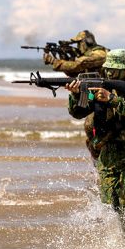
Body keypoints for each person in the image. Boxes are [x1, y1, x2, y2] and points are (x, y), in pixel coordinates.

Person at [65, 49, 125, 221]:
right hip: (108, 148)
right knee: (112, 202)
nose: (110, 72)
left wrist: (111, 99)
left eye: (115, 68)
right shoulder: (98, 87)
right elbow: (78, 113)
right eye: (108, 68)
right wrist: (76, 95)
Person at [45, 30, 108, 159]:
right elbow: (76, 74)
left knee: (92, 126)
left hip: (107, 97)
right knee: (90, 132)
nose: (78, 47)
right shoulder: (88, 55)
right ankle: (99, 163)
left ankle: (104, 163)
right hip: (95, 97)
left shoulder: (100, 54)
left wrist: (55, 62)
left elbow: (79, 65)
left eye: (79, 44)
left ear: (87, 42)